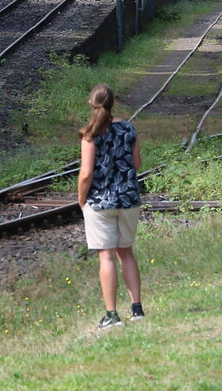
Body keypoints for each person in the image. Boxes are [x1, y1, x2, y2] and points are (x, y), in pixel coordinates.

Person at [77, 83, 144, 329]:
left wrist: (82, 198)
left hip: (100, 202)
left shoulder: (90, 134)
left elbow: (86, 174)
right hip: (128, 199)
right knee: (125, 252)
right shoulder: (128, 129)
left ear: (91, 103)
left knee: (106, 256)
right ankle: (137, 309)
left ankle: (112, 315)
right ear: (113, 102)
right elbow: (136, 164)